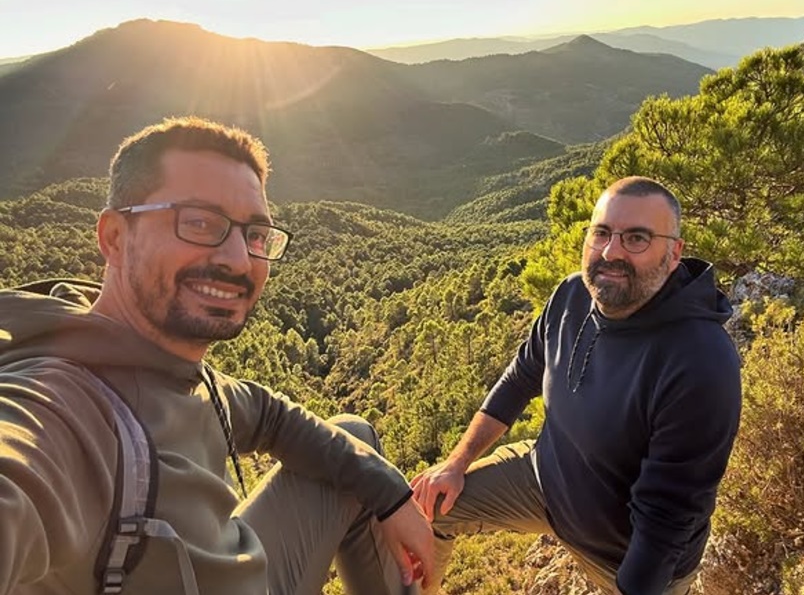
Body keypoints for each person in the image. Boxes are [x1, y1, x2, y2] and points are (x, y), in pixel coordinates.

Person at [0, 116, 434, 595]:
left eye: (255, 235)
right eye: (199, 223)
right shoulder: (61, 407)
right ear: (115, 239)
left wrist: (393, 496)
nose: (237, 260)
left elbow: (272, 416)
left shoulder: (176, 369)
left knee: (355, 438)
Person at [412, 176, 742, 595]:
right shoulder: (571, 295)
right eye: (601, 233)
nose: (611, 252)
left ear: (674, 253)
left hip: (623, 557)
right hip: (543, 482)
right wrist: (456, 463)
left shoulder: (699, 361)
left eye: (637, 238)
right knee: (428, 509)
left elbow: (667, 518)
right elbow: (520, 378)